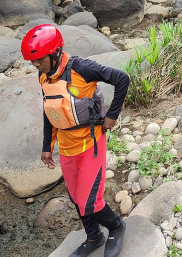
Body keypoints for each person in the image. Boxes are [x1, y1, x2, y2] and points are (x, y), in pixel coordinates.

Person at [22, 24, 130, 257]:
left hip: (90, 144)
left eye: (39, 60)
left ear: (56, 52)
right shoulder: (44, 76)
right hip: (67, 147)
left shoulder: (82, 68)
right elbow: (49, 111)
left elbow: (122, 79)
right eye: (33, 61)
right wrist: (46, 147)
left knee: (90, 201)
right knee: (76, 198)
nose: (36, 65)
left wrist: (111, 116)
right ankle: (93, 236)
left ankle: (116, 226)